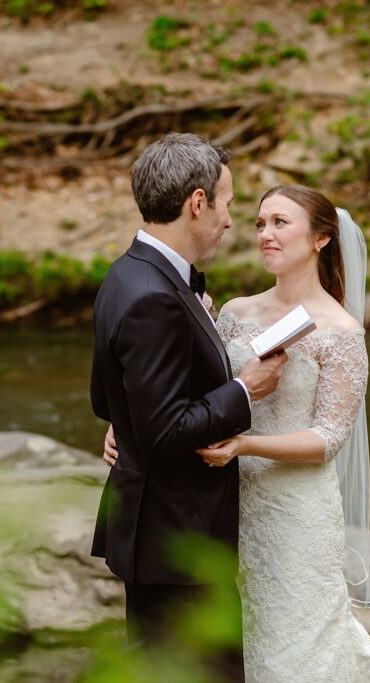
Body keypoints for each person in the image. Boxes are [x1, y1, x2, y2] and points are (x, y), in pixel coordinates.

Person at [105, 184, 370, 682]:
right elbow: (179, 387)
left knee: (295, 645)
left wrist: (246, 445)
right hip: (223, 505)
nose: (265, 235)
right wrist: (127, 427)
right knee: (231, 651)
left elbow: (327, 438)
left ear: (321, 239)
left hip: (294, 510)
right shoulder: (233, 312)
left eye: (280, 223)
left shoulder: (341, 331)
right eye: (259, 223)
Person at [89, 133, 287, 680]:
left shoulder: (126, 274)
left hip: (159, 534)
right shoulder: (154, 295)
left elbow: (103, 397)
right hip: (177, 538)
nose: (230, 220)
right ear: (197, 203)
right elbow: (163, 433)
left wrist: (124, 429)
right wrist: (245, 389)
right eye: (225, 203)